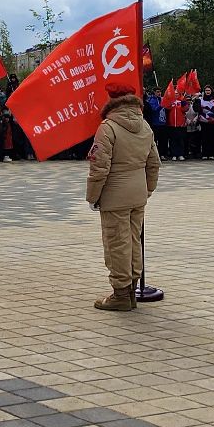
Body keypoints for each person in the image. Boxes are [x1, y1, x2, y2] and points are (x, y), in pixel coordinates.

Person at [85, 82, 160, 311]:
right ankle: (132, 290)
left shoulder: (108, 127)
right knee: (133, 241)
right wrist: (146, 189)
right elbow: (154, 163)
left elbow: (99, 167)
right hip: (137, 194)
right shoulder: (145, 126)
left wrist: (92, 196)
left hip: (114, 195)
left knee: (117, 243)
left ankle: (120, 294)